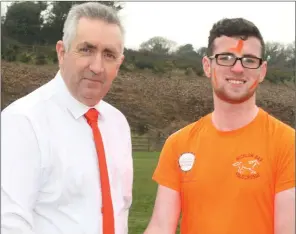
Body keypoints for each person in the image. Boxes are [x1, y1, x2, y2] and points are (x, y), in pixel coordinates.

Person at [144, 18, 295, 234]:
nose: (237, 68)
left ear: (262, 71)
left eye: (249, 60)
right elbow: (160, 226)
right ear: (208, 66)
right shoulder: (178, 144)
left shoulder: (287, 143)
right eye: (226, 58)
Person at [1, 2, 133, 234]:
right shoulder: (23, 121)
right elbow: (10, 223)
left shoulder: (118, 123)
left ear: (119, 64)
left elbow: (120, 209)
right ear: (61, 52)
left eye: (109, 55)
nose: (97, 67)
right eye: (87, 50)